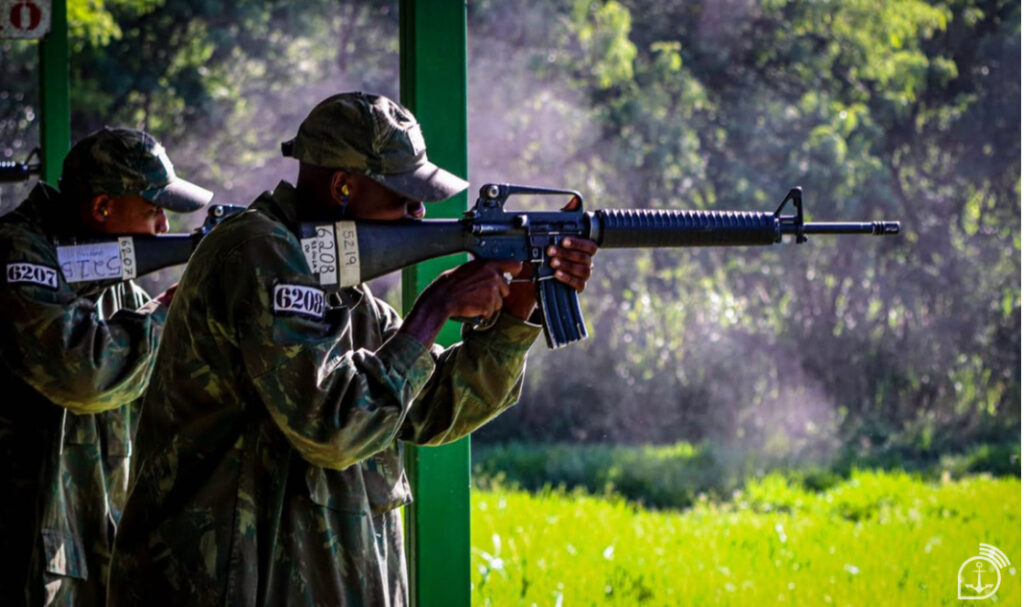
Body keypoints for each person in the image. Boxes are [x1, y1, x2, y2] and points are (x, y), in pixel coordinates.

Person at [107, 91, 598, 605]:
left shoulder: (338, 287)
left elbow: (430, 410)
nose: (419, 211)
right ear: (343, 186)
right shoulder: (256, 250)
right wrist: (435, 308)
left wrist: (520, 306)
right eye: (405, 195)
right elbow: (333, 429)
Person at [0, 127, 212, 606]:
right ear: (102, 208)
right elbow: (86, 375)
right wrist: (169, 311)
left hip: (94, 555)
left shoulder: (114, 280)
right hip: (23, 555)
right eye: (154, 210)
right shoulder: (16, 253)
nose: (164, 228)